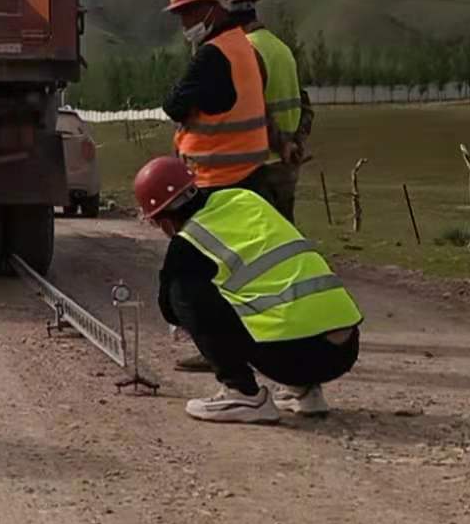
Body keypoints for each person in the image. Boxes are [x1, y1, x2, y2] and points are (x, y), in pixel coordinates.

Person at [133, 156, 363, 423]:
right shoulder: (244, 198)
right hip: (346, 347)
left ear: (164, 222)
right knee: (269, 291)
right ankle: (305, 392)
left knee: (182, 291)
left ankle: (241, 392)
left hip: (294, 359)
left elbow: (170, 311)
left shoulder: (187, 243)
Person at [163, 0, 275, 374]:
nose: (184, 23)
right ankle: (246, 346)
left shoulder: (213, 55)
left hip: (216, 183)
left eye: (188, 13)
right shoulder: (243, 46)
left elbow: (175, 104)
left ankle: (226, 364)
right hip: (250, 176)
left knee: (190, 280)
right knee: (238, 272)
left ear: (212, 8)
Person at [226, 0, 315, 223]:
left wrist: (282, 145)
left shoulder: (245, 52)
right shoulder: (281, 49)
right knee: (284, 232)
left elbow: (253, 109)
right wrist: (296, 143)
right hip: (286, 166)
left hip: (260, 167)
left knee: (260, 235)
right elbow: (304, 105)